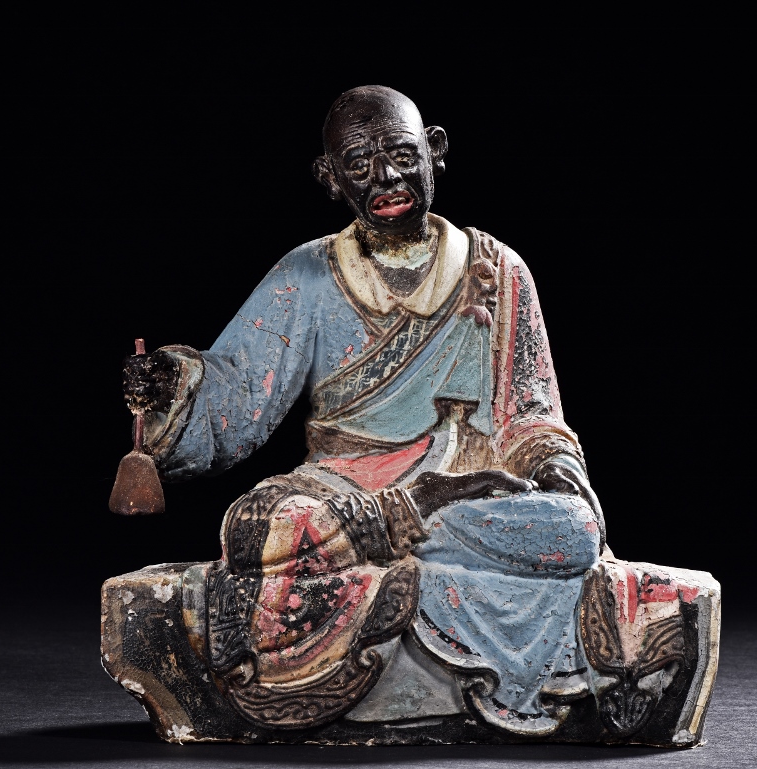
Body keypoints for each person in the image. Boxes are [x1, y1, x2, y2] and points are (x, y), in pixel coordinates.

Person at [122, 85, 610, 735]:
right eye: (358, 164)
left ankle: (401, 540)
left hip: (463, 489)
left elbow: (530, 409)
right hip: (342, 488)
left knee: (572, 529)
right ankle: (400, 530)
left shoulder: (497, 270)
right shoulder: (308, 275)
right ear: (330, 178)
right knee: (263, 525)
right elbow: (237, 393)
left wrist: (558, 468)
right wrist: (172, 384)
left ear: (435, 151)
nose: (385, 178)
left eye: (402, 156)